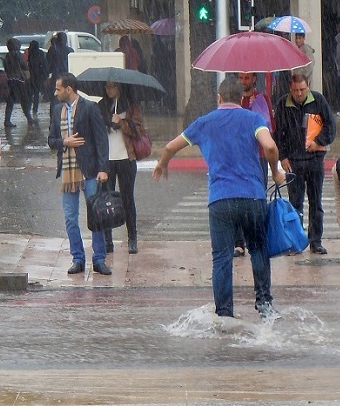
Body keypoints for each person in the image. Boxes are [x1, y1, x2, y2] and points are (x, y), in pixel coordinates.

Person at [153, 77, 285, 320]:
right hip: (252, 197)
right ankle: (264, 304)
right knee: (258, 249)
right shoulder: (253, 119)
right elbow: (270, 147)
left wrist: (162, 164)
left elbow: (171, 147)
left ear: (220, 98)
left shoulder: (204, 123)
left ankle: (224, 313)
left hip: (220, 200)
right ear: (240, 98)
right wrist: (275, 171)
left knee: (222, 258)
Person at [47, 73, 112, 276]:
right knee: (70, 217)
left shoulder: (90, 108)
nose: (55, 92)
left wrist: (103, 168)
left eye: (58, 89)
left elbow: (101, 139)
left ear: (69, 89)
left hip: (90, 170)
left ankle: (99, 259)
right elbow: (51, 140)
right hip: (67, 172)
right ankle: (78, 258)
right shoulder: (57, 110)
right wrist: (64, 142)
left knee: (96, 216)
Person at [274, 73, 336, 255]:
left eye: (302, 90)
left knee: (316, 202)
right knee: (295, 204)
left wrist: (319, 141)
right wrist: (283, 157)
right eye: (295, 91)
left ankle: (315, 240)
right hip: (293, 161)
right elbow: (278, 134)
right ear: (290, 89)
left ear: (308, 86)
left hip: (315, 159)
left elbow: (330, 126)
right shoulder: (283, 105)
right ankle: (296, 241)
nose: (299, 94)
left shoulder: (318, 100)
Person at [98, 81, 145, 255]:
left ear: (120, 88)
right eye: (107, 87)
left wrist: (122, 122)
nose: (109, 90)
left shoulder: (131, 107)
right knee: (107, 201)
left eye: (112, 87)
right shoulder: (101, 106)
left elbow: (139, 131)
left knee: (127, 199)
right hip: (107, 160)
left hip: (126, 158)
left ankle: (132, 238)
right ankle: (107, 240)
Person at [235, 71, 274, 257]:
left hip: (259, 155)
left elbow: (269, 125)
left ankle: (257, 237)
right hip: (239, 155)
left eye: (247, 78)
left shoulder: (262, 99)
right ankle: (239, 241)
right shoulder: (234, 101)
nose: (244, 81)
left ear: (254, 79)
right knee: (238, 197)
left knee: (258, 197)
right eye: (241, 78)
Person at [3, 38, 34, 128]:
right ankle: (29, 118)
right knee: (24, 100)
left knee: (11, 101)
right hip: (19, 80)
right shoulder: (18, 55)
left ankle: (7, 120)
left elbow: (6, 67)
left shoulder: (7, 56)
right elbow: (24, 66)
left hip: (11, 80)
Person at [47, 32, 74, 121]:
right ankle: (66, 117)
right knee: (67, 98)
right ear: (65, 40)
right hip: (67, 77)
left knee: (55, 99)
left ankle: (54, 119)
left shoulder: (52, 50)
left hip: (56, 77)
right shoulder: (70, 50)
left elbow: (49, 65)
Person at [27, 40, 48, 117]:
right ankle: (33, 110)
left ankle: (30, 110)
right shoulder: (37, 53)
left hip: (34, 76)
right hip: (36, 77)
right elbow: (44, 64)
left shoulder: (32, 53)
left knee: (32, 94)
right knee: (35, 94)